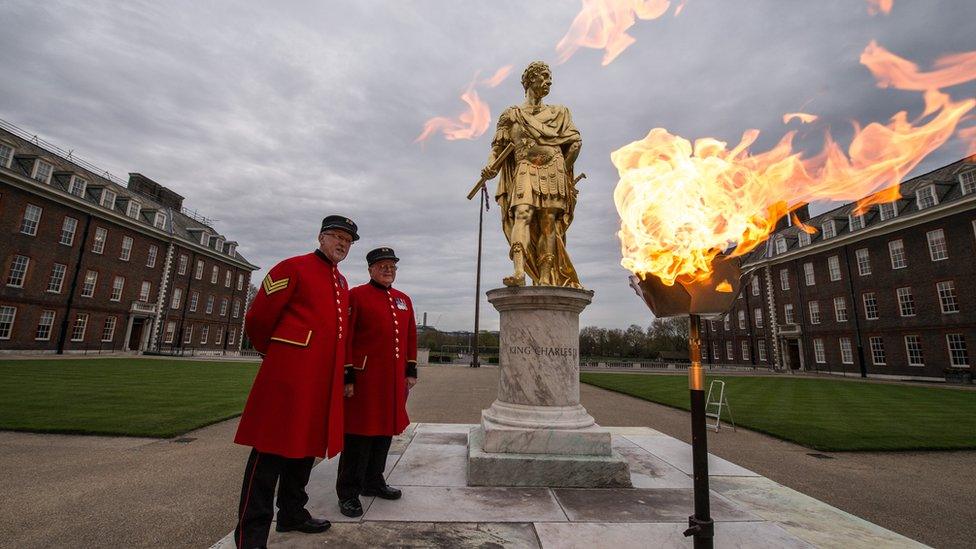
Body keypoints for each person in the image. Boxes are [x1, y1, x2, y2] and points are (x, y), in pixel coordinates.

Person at [232, 215, 359, 549]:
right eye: (336, 236)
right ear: (320, 237)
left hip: (320, 381)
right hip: (288, 377)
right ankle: (250, 534)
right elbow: (258, 317)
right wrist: (275, 354)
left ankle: (292, 512)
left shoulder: (341, 282)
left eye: (348, 239)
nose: (342, 243)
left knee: (304, 448)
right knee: (270, 453)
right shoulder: (293, 267)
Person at [481, 60, 584, 288]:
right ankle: (519, 272)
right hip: (525, 167)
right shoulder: (510, 115)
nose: (547, 83)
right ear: (529, 80)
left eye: (550, 79)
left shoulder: (560, 113)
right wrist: (490, 167)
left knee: (548, 222)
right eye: (543, 77)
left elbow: (576, 142)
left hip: (554, 169)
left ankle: (546, 277)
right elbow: (497, 149)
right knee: (522, 214)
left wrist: (564, 172)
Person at [336, 246, 418, 517]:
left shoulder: (403, 299)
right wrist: (347, 374)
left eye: (392, 266)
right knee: (358, 435)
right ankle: (348, 492)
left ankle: (373, 481)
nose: (388, 269)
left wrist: (411, 370)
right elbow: (345, 337)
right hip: (365, 379)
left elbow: (410, 338)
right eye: (382, 265)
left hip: (392, 381)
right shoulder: (356, 296)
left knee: (384, 433)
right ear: (370, 269)